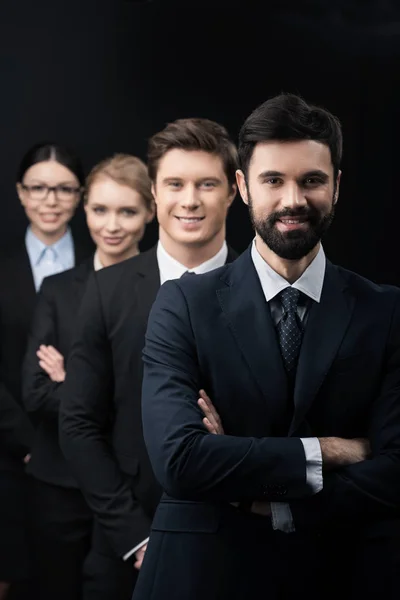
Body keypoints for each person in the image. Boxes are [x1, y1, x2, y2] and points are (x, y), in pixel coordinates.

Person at [135, 94, 400, 600]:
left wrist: (263, 495)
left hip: (344, 570)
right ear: (243, 187)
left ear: (337, 187)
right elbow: (181, 461)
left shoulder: (386, 312)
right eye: (273, 180)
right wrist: (328, 451)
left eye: (312, 180)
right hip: (201, 573)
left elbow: (396, 471)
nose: (292, 199)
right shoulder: (182, 305)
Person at [59, 118, 238, 600]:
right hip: (126, 547)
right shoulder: (106, 291)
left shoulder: (262, 291)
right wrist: (136, 538)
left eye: (207, 184)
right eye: (175, 184)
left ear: (233, 192)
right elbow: (77, 424)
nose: (191, 200)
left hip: (239, 542)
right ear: (155, 194)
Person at [21, 154, 154, 600]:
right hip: (59, 486)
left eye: (127, 211)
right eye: (100, 210)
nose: (111, 225)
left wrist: (75, 381)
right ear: (85, 210)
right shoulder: (58, 290)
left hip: (129, 489)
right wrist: (111, 392)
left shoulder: (167, 289)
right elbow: (37, 393)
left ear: (151, 211)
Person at [0, 142, 90, 599]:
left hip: (85, 453)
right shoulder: (2, 269)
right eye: (38, 188)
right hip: (9, 454)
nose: (50, 200)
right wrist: (26, 442)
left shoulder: (104, 262)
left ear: (79, 196)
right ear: (20, 193)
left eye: (62, 189)